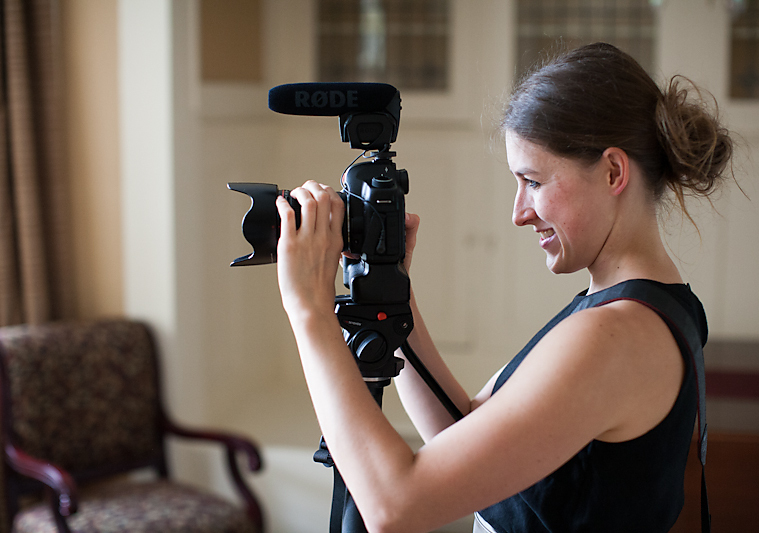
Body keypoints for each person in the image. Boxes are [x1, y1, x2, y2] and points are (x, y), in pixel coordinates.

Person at [274, 42, 733, 533]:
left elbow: (395, 506)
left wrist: (309, 311)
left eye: (533, 181)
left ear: (613, 172)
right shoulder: (638, 310)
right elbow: (462, 431)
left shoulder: (615, 338)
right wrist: (394, 295)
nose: (519, 213)